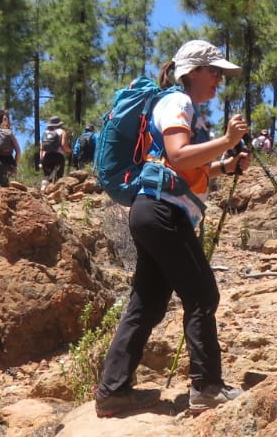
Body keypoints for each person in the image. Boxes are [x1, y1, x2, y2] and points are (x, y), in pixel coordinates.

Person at [94, 40, 250, 416]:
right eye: (214, 72)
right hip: (163, 213)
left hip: (153, 210)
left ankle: (112, 391)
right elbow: (179, 156)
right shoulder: (177, 102)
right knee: (202, 294)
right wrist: (227, 141)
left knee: (147, 303)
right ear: (192, 72)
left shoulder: (182, 107)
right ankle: (207, 387)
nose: (219, 80)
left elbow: (181, 167)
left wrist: (223, 165)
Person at [39, 116, 70, 184]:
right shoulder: (62, 131)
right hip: (58, 156)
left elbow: (42, 148)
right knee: (58, 178)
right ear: (60, 124)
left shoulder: (45, 133)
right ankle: (56, 192)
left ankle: (43, 192)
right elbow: (63, 145)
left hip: (46, 157)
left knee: (46, 177)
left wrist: (41, 160)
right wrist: (70, 151)